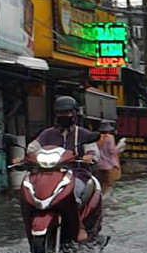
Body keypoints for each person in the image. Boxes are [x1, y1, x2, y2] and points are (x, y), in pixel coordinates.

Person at [28, 96, 99, 241]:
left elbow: (93, 151)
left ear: (74, 113)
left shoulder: (83, 133)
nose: (64, 116)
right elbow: (33, 148)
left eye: (67, 112)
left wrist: (90, 156)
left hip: (77, 174)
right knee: (29, 192)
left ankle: (79, 227)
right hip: (49, 175)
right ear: (55, 115)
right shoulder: (47, 134)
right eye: (60, 113)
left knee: (72, 194)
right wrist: (25, 157)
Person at [93, 119, 121, 193]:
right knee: (109, 186)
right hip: (109, 165)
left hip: (98, 165)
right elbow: (112, 151)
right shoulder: (110, 138)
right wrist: (119, 146)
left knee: (100, 185)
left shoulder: (96, 138)